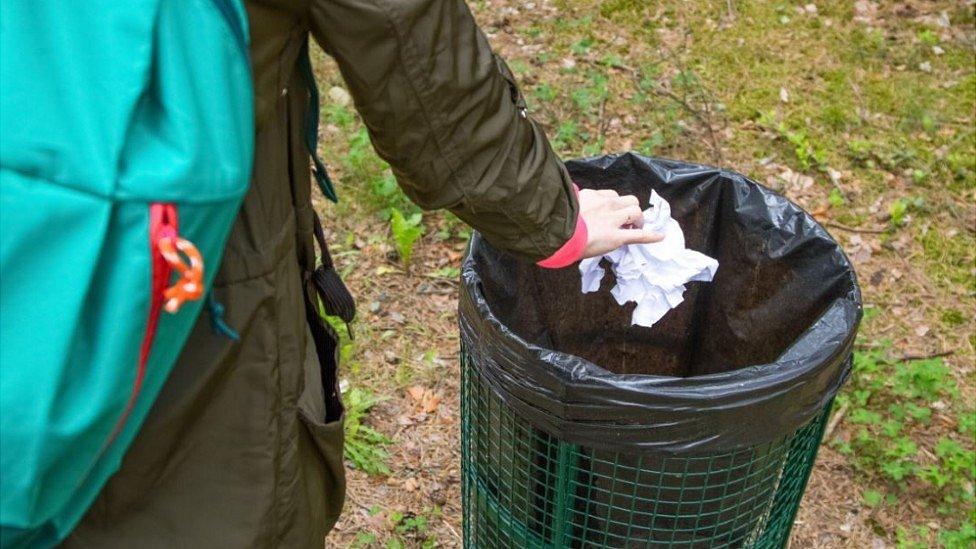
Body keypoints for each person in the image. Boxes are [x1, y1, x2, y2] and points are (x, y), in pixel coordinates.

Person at [64, 0, 659, 546]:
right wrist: (551, 218)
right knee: (198, 487)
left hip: (47, 204)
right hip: (185, 227)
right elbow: (402, 33)